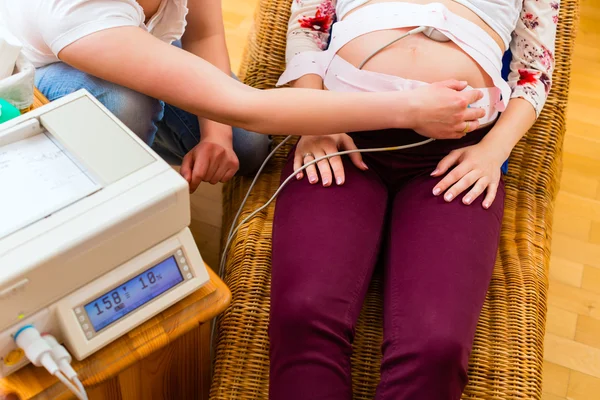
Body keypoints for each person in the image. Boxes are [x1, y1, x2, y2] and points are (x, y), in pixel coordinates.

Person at [269, 0, 557, 398]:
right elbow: (308, 26)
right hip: (341, 130)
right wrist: (312, 117)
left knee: (436, 347)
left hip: (454, 155)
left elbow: (533, 71)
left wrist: (494, 151)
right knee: (304, 314)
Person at [0, 0, 483, 192]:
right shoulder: (77, 13)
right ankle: (121, 188)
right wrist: (410, 106)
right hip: (45, 75)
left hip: (129, 45)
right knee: (129, 104)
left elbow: (205, 34)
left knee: (248, 144)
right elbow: (246, 103)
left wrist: (219, 139)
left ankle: (149, 154)